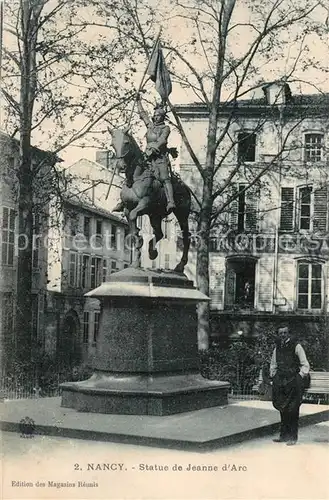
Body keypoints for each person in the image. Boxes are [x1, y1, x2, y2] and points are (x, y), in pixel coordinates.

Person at [270, 325, 310, 445]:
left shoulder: (296, 346)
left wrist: (300, 376)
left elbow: (305, 364)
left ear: (289, 333)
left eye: (285, 332)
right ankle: (283, 436)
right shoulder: (277, 347)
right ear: (278, 334)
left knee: (293, 409)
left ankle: (293, 437)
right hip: (281, 382)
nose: (283, 335)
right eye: (281, 333)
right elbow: (273, 363)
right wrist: (274, 376)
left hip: (293, 381)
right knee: (283, 408)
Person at [136, 94, 176, 213]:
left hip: (159, 158)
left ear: (163, 117)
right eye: (155, 115)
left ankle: (171, 201)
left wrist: (154, 148)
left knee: (164, 178)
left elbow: (162, 140)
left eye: (159, 115)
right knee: (133, 172)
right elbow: (143, 115)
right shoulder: (150, 127)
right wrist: (138, 101)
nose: (156, 117)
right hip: (147, 157)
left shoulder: (165, 128)